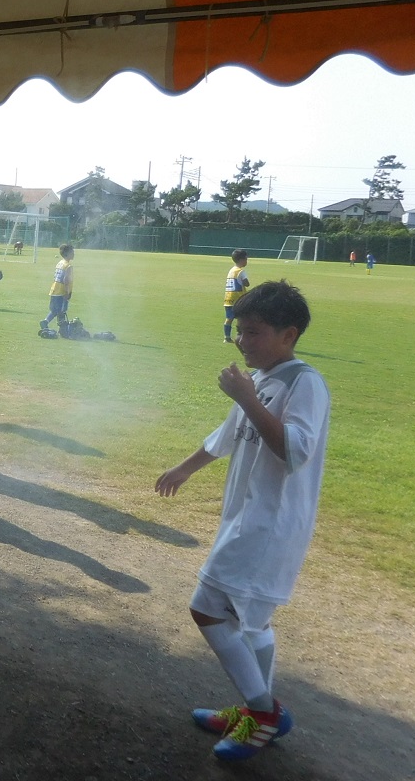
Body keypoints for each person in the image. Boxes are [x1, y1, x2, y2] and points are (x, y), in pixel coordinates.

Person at [154, 281, 329, 763]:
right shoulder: (266, 380)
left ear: (288, 334)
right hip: (248, 519)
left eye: (252, 333)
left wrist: (246, 397)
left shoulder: (303, 383)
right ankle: (260, 713)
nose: (242, 341)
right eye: (239, 331)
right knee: (253, 622)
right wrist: (184, 468)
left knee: (206, 608)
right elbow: (228, 435)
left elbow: (294, 450)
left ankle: (263, 712)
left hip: (269, 526)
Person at [38, 243, 75, 334]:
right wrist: (67, 292)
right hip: (62, 291)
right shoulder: (68, 266)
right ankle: (62, 330)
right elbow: (66, 280)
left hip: (54, 289)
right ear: (68, 253)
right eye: (72, 252)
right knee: (62, 310)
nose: (74, 253)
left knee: (55, 310)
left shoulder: (59, 263)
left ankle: (46, 321)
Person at [223, 249, 250, 343]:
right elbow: (247, 283)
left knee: (229, 319)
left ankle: (226, 337)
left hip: (228, 299)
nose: (247, 261)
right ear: (241, 260)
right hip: (239, 300)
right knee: (242, 319)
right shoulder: (241, 271)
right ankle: (242, 337)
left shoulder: (231, 270)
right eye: (246, 259)